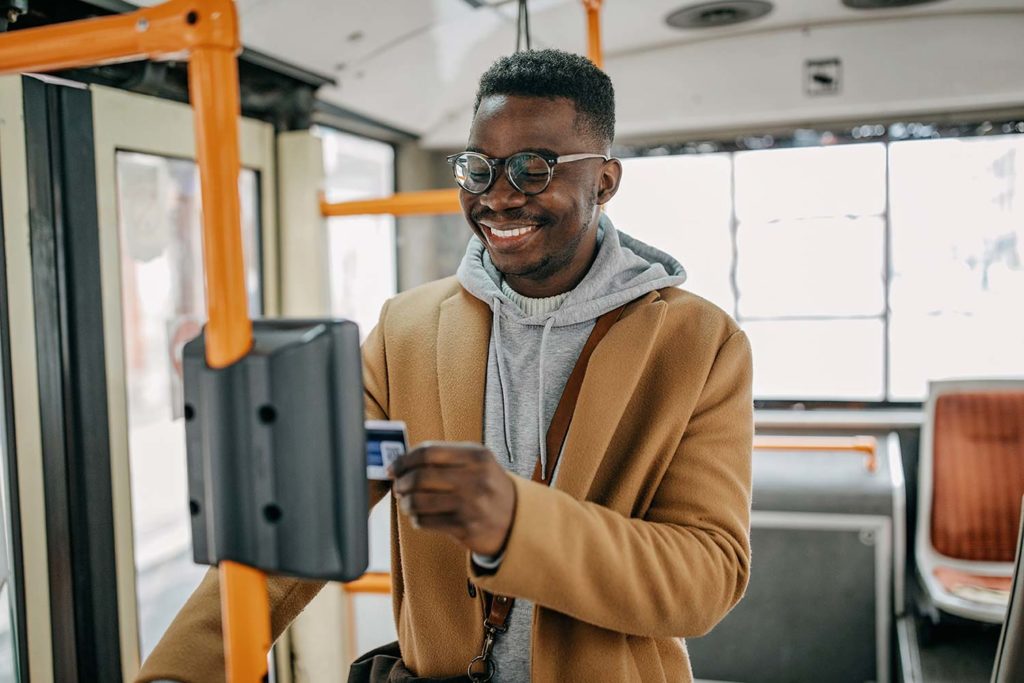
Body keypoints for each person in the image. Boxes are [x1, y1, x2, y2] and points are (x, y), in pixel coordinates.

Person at [137, 48, 753, 683]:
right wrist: (183, 669)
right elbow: (300, 514)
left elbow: (707, 577)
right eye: (479, 169)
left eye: (533, 169)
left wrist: (516, 524)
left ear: (604, 181)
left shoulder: (698, 342)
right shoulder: (407, 330)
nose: (499, 198)